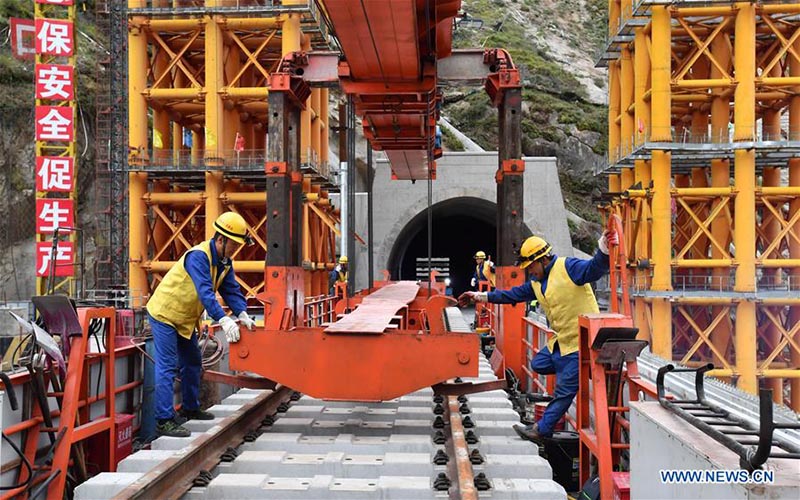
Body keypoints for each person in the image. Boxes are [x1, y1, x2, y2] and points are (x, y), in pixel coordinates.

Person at [458, 230, 618, 442]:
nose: (530, 272)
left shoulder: (568, 267)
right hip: (562, 341)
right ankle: (573, 373)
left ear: (543, 259)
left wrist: (604, 250)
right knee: (539, 363)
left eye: (531, 266)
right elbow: (510, 295)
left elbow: (594, 269)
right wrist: (479, 296)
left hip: (582, 342)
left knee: (564, 391)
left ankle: (542, 429)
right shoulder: (536, 283)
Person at [146, 212, 257, 437]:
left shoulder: (225, 262)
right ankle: (164, 420)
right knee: (167, 365)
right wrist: (224, 319)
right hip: (165, 314)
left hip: (184, 318)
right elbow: (205, 292)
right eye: (232, 245)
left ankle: (190, 408)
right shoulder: (198, 257)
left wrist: (242, 313)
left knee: (193, 361)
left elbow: (230, 290)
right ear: (220, 240)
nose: (234, 250)